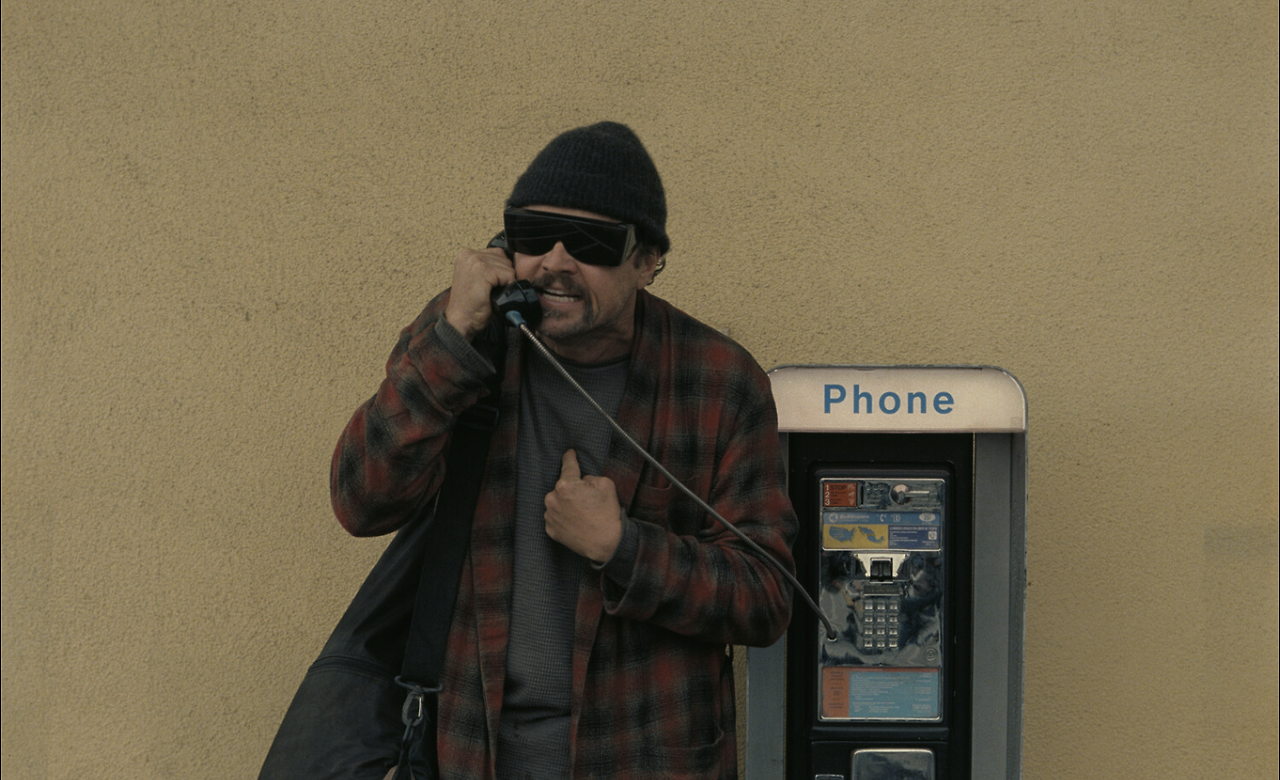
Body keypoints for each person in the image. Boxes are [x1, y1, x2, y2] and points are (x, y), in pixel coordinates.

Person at [330, 121, 796, 780]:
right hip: (475, 751)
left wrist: (624, 548)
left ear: (647, 262)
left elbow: (766, 596)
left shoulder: (718, 380)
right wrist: (454, 339)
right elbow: (360, 500)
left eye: (591, 243)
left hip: (645, 757)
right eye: (531, 235)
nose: (553, 262)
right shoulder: (465, 339)